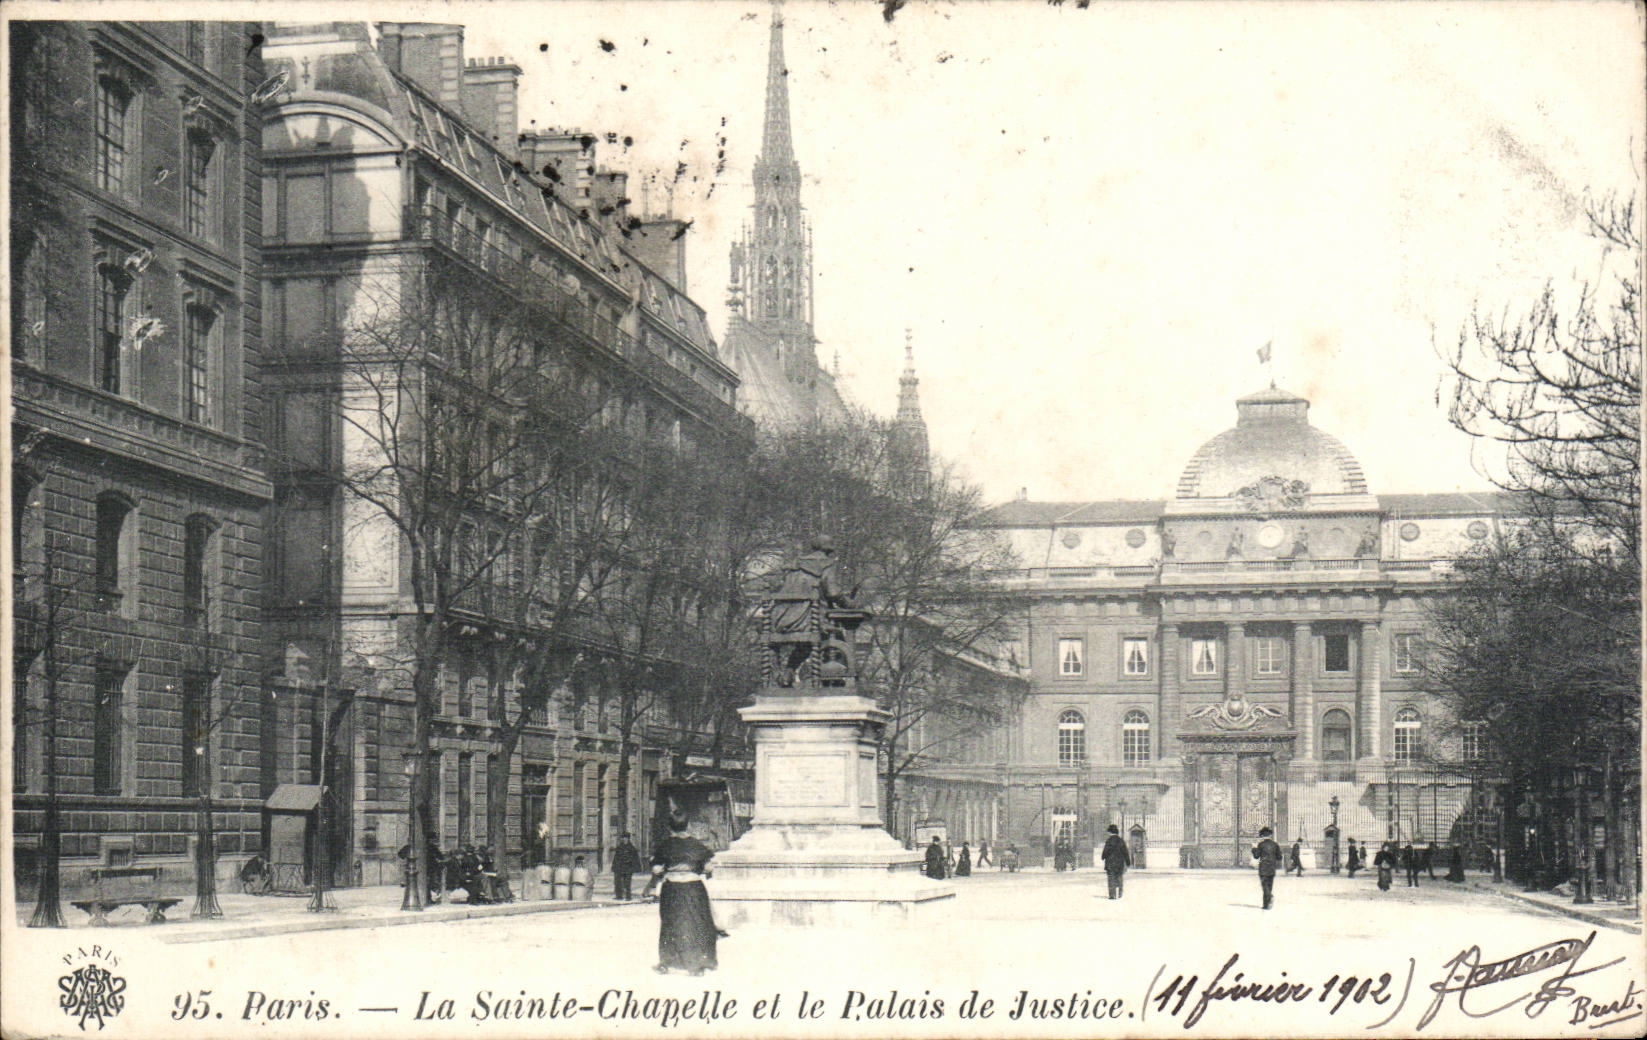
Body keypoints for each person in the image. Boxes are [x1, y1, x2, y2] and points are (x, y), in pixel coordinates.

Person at [650, 815, 718, 975]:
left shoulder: (665, 845)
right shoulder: (696, 844)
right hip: (694, 887)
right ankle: (699, 963)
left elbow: (656, 869)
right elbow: (708, 868)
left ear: (670, 827)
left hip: (672, 889)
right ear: (687, 825)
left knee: (670, 923)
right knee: (697, 923)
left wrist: (666, 870)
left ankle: (667, 961)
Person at [1251, 826, 1283, 909]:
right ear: (1270, 835)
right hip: (1272, 868)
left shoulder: (1261, 845)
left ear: (1262, 836)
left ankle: (1268, 899)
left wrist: (1254, 849)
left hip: (1263, 868)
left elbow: (1256, 856)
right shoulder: (1275, 844)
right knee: (1269, 885)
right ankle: (1266, 904)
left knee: (1264, 885)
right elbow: (1279, 857)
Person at [1100, 824, 1131, 899]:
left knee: (1111, 878)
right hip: (1119, 863)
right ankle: (1120, 893)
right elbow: (1125, 852)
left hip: (1110, 863)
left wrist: (1103, 857)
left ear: (1110, 832)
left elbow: (1105, 851)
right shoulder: (1121, 840)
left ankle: (1112, 894)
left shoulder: (1109, 841)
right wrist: (1128, 862)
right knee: (1119, 877)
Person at [611, 833, 642, 901]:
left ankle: (628, 896)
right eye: (623, 838)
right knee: (618, 882)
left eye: (626, 838)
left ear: (628, 839)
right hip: (620, 867)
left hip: (628, 868)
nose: (624, 839)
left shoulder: (631, 848)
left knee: (627, 882)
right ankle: (619, 896)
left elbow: (635, 858)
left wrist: (635, 868)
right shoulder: (619, 847)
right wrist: (614, 867)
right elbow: (616, 858)